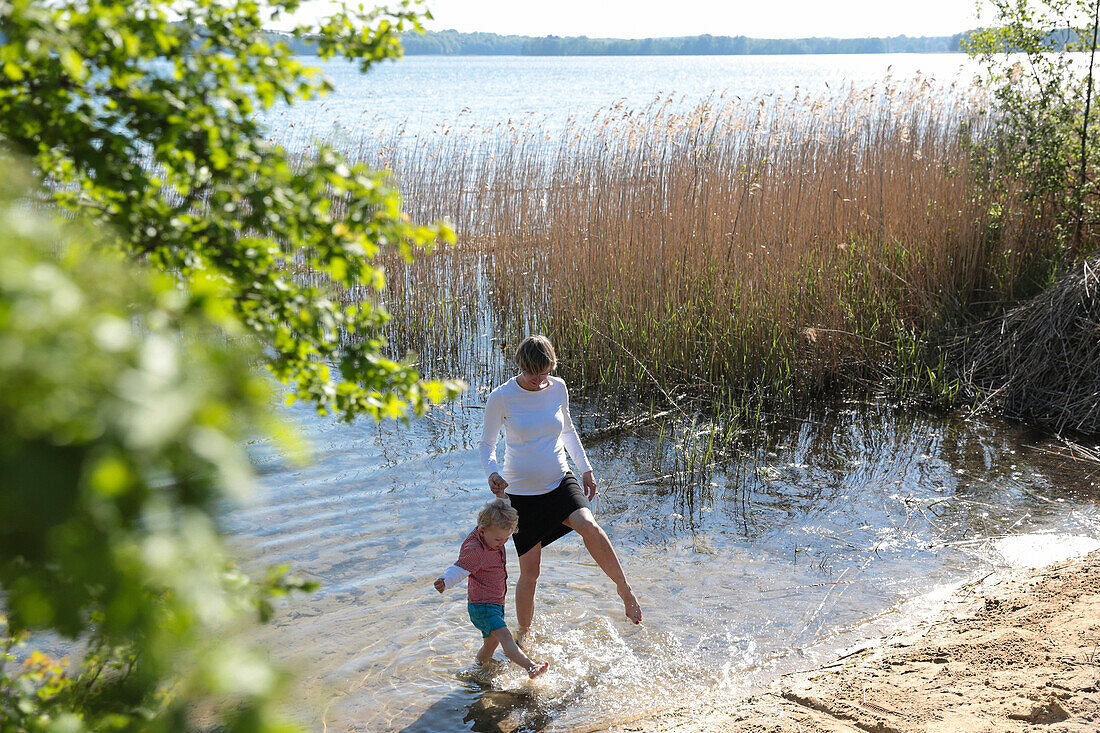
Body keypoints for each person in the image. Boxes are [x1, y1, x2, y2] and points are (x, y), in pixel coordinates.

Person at [479, 335, 642, 644]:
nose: (539, 380)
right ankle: (524, 637)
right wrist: (493, 473)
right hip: (521, 495)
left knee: (589, 525)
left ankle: (625, 589)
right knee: (531, 574)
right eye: (532, 373)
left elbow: (567, 430)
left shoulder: (558, 387)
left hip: (559, 480)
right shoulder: (502, 397)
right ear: (521, 367)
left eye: (544, 372)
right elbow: (487, 444)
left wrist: (586, 468)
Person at [434, 498, 550, 679]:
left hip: (493, 604)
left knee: (491, 644)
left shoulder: (491, 533)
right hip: (483, 607)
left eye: (506, 538)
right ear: (481, 530)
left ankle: (477, 670)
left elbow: (502, 509)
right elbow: (460, 568)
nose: (502, 543)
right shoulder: (475, 549)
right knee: (506, 637)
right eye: (498, 539)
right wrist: (445, 580)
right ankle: (530, 667)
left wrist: (503, 495)